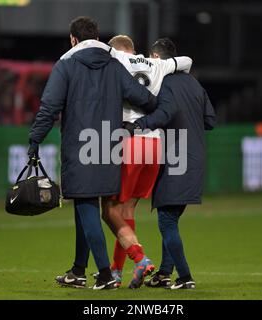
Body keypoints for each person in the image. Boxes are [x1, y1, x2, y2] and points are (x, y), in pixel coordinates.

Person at [28, 17, 156, 290]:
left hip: (79, 146)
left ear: (73, 39)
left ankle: (106, 274)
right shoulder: (113, 65)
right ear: (97, 37)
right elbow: (141, 96)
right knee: (85, 205)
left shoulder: (66, 65)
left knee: (86, 205)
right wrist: (158, 106)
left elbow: (49, 106)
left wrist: (34, 139)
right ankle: (78, 270)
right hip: (109, 146)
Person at [60, 35, 193, 288]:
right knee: (128, 210)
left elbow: (88, 52)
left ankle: (140, 259)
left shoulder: (116, 59)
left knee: (109, 210)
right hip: (155, 145)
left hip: (129, 140)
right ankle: (117, 271)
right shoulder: (158, 65)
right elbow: (187, 61)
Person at [131, 38, 217, 289]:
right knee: (171, 220)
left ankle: (185, 277)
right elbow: (210, 120)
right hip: (196, 159)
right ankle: (164, 274)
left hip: (175, 159)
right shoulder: (195, 84)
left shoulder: (164, 83)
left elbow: (165, 113)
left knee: (166, 221)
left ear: (156, 58)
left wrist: (140, 125)